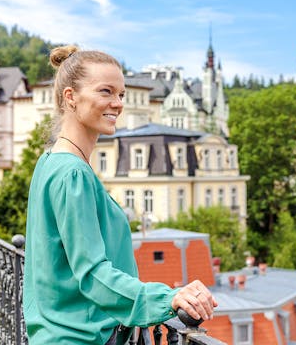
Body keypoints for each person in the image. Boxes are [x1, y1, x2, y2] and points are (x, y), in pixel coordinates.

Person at [23, 45, 218, 344]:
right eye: (106, 92)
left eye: (122, 94)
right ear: (70, 97)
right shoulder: (71, 173)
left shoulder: (51, 161)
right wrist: (167, 298)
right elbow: (92, 273)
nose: (117, 104)